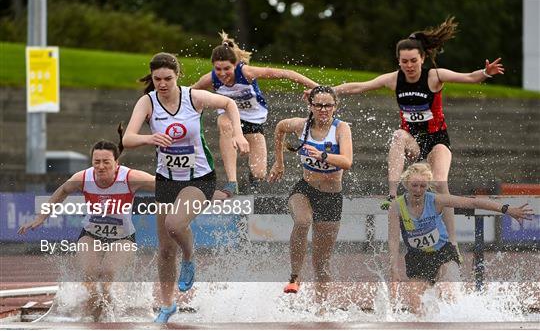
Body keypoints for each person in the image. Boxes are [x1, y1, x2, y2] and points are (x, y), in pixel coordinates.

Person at [328, 16, 505, 252]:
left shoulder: (434, 76)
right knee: (398, 135)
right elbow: (359, 86)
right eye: (404, 62)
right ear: (398, 61)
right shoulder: (394, 79)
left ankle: (452, 243)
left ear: (422, 58)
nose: (409, 66)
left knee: (442, 186)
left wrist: (486, 71)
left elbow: (469, 78)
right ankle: (392, 194)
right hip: (413, 141)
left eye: (413, 61)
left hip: (437, 142)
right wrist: (325, 92)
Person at [122, 52, 249, 323]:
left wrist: (237, 133)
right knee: (166, 249)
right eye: (157, 79)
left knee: (175, 225)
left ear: (177, 76)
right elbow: (128, 138)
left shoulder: (193, 98)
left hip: (199, 179)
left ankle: (190, 258)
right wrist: (150, 138)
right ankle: (166, 305)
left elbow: (229, 104)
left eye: (168, 78)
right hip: (166, 179)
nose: (163, 84)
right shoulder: (148, 102)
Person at [18, 128, 156, 322]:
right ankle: (90, 318)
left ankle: (112, 316)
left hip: (122, 237)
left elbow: (163, 184)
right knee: (90, 277)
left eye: (106, 162)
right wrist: (41, 217)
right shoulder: (84, 177)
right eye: (96, 162)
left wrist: (192, 193)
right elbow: (62, 191)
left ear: (116, 164)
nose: (100, 167)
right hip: (90, 235)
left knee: (108, 275)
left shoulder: (130, 177)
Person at [388, 162, 533, 314]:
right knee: (416, 309)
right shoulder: (396, 207)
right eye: (414, 185)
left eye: (423, 186)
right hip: (417, 258)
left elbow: (472, 202)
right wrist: (394, 269)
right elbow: (392, 240)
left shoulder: (436, 200)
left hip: (443, 254)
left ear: (428, 185)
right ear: (406, 183)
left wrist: (507, 209)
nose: (418, 190)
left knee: (449, 294)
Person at [192, 31, 319, 197]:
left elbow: (287, 74)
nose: (222, 74)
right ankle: (232, 182)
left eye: (227, 69)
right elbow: (187, 94)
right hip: (229, 118)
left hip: (253, 121)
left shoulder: (247, 73)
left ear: (236, 64)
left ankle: (250, 190)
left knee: (259, 173)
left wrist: (318, 89)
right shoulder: (209, 79)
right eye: (218, 69)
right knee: (224, 123)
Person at [268, 86, 353, 305]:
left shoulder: (341, 129)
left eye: (328, 105)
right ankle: (295, 277)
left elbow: (347, 161)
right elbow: (279, 128)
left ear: (335, 107)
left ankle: (321, 311)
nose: (323, 109)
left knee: (321, 265)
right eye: (319, 105)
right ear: (311, 106)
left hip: (331, 197)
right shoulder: (301, 126)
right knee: (303, 221)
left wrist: (324, 155)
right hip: (305, 189)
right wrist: (279, 161)